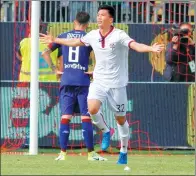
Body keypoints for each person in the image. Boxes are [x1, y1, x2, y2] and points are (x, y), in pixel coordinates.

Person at [40, 5, 164, 164]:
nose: (98, 17)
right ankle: (106, 131)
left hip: (117, 84)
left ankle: (123, 151)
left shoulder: (119, 35)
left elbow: (135, 46)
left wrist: (151, 48)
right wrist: (55, 40)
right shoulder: (92, 35)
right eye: (98, 15)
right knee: (91, 109)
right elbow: (75, 42)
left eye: (102, 15)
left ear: (110, 19)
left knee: (120, 119)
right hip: (99, 81)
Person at [42, 11, 107, 161]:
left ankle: (62, 153)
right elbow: (102, 55)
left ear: (74, 21)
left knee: (65, 117)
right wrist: (95, 71)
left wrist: (55, 69)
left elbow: (45, 53)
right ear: (87, 24)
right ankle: (91, 154)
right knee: (86, 117)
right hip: (83, 80)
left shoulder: (63, 37)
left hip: (67, 80)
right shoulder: (88, 38)